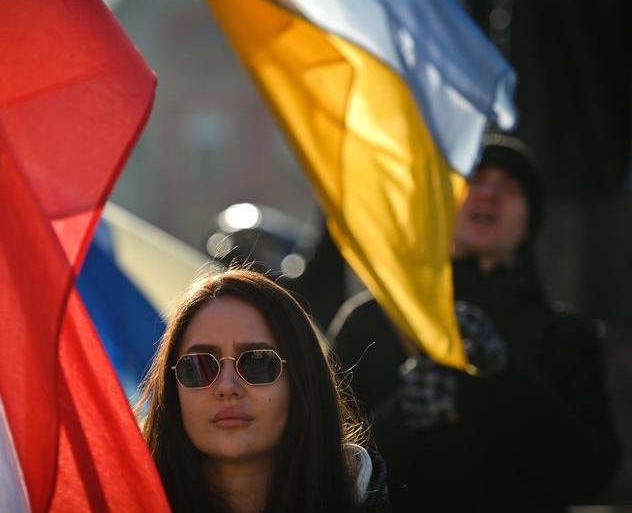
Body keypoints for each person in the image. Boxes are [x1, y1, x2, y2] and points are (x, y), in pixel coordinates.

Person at [330, 135, 621, 512]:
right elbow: (325, 465)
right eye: (473, 179)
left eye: (510, 187)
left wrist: (505, 375)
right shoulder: (369, 322)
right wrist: (401, 415)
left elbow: (589, 477)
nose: (488, 194)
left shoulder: (567, 336)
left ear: (527, 227)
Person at [136, 268, 390, 512]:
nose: (227, 387)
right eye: (199, 366)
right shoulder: (121, 503)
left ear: (301, 381)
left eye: (257, 362)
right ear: (172, 391)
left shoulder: (360, 494)